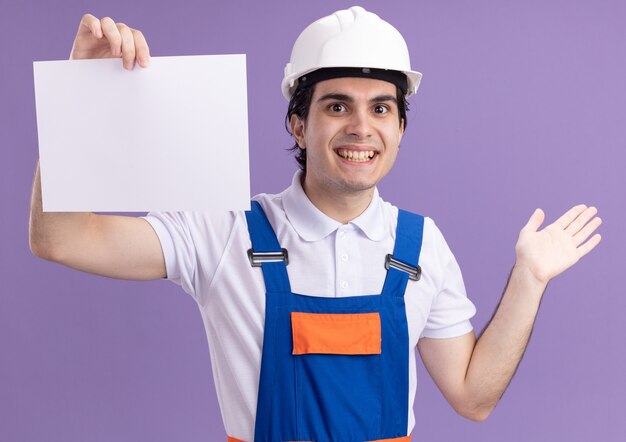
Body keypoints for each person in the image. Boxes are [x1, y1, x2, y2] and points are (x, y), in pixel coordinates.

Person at [29, 6, 602, 442]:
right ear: (298, 126)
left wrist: (529, 278)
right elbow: (62, 238)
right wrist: (81, 96)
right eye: (336, 106)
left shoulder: (422, 245)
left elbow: (474, 397)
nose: (361, 126)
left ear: (400, 129)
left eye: (381, 107)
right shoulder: (223, 230)